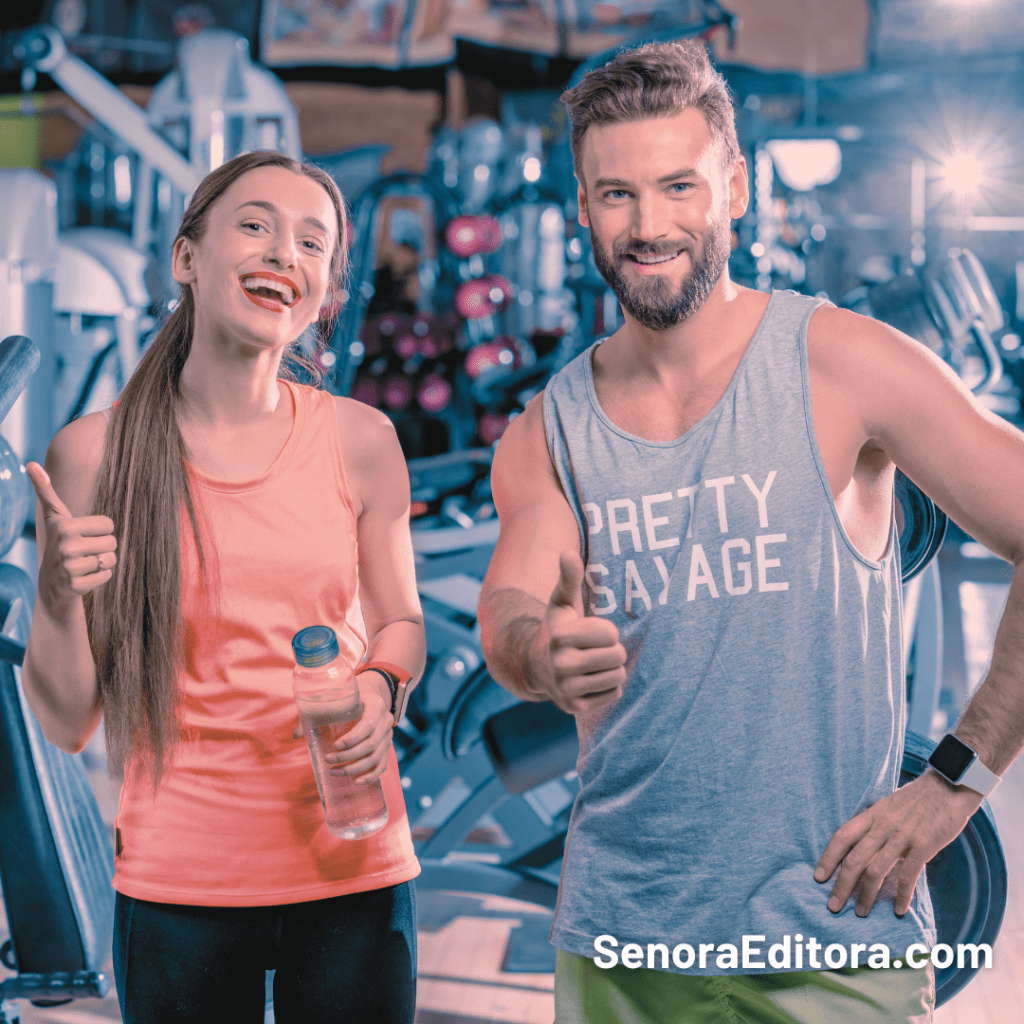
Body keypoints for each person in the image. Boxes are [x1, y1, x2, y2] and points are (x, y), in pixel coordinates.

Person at [478, 40, 1024, 1024]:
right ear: (582, 206)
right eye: (616, 194)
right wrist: (538, 652)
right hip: (622, 949)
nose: (649, 226)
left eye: (678, 185)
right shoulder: (547, 429)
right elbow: (511, 605)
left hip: (832, 940)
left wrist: (958, 780)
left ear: (734, 187)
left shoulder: (843, 364)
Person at [21, 150, 425, 1024]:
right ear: (186, 257)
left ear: (324, 293)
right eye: (255, 225)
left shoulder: (361, 440)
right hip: (180, 886)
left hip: (352, 864)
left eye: (312, 243)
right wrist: (55, 594)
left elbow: (401, 621)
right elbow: (65, 720)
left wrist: (380, 685)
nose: (284, 252)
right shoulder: (93, 455)